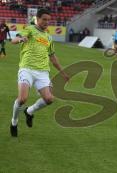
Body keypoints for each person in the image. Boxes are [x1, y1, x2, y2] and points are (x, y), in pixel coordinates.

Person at [10, 8, 69, 137]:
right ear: (37, 18)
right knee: (22, 99)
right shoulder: (29, 29)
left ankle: (29, 112)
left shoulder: (48, 37)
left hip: (42, 72)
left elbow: (52, 57)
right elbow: (14, 40)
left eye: (48, 20)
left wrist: (63, 72)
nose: (46, 22)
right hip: (27, 69)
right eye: (44, 19)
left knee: (49, 99)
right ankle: (14, 122)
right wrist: (21, 40)